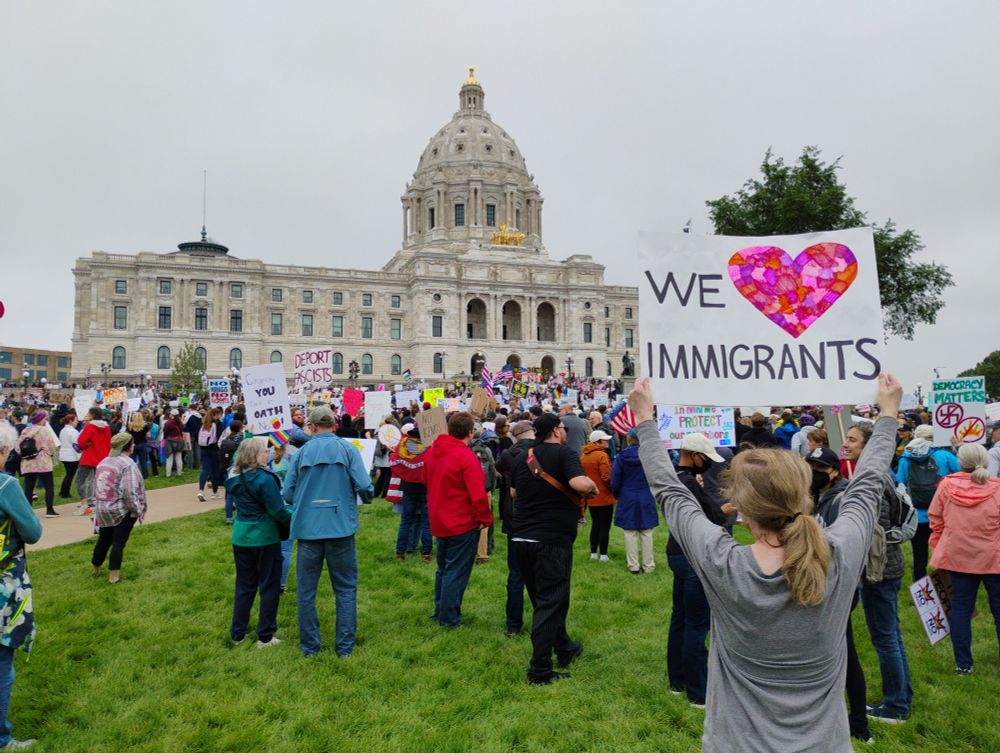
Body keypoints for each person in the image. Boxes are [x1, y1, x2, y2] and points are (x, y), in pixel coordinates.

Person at [630, 374, 902, 752]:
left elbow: (670, 491)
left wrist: (645, 420)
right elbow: (869, 482)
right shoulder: (840, 552)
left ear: (741, 508)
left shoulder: (722, 561)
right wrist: (888, 415)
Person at [509, 413, 596, 684]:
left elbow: (512, 492)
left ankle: (564, 647)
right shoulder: (564, 453)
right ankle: (540, 670)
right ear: (556, 431)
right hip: (551, 539)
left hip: (520, 537)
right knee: (551, 601)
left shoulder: (523, 456)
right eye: (563, 427)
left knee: (543, 600)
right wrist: (592, 488)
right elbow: (578, 484)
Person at [282, 406, 373, 657]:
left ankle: (310, 648)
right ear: (333, 424)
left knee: (306, 592)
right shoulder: (347, 449)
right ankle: (344, 648)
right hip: (340, 527)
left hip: (309, 529)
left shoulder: (302, 453)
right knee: (345, 589)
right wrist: (364, 496)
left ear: (311, 427)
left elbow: (288, 493)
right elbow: (365, 486)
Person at [843, 421, 913, 723]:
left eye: (852, 440)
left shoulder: (872, 478)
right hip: (884, 568)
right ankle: (901, 696)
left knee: (885, 638)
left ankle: (896, 706)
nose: (845, 443)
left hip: (878, 570)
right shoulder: (873, 474)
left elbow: (875, 532)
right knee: (891, 636)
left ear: (868, 446)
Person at [806, 446, 872, 743]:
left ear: (834, 471)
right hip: (821, 582)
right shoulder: (819, 496)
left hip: (838, 586)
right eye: (811, 466)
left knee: (844, 653)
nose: (814, 473)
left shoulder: (840, 499)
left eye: (820, 468)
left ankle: (858, 725)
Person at [664, 432, 729, 708]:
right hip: (692, 555)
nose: (708, 464)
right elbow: (711, 517)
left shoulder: (676, 478)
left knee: (680, 618)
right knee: (697, 623)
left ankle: (677, 681)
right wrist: (728, 508)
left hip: (676, 552)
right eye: (706, 459)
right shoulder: (688, 482)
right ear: (694, 455)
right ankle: (698, 692)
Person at [928, 443, 1000, 674]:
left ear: (961, 462)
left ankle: (963, 665)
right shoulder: (997, 488)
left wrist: (940, 543)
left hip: (958, 557)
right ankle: (963, 664)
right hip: (993, 557)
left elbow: (935, 519)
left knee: (960, 608)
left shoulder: (946, 486)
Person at [423, 412, 493, 628]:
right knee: (456, 571)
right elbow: (477, 494)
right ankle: (449, 618)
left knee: (443, 569)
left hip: (439, 517)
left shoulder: (431, 452)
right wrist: (485, 518)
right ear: (470, 433)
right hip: (461, 521)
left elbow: (426, 481)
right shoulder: (465, 457)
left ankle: (440, 611)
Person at [224, 438, 292, 647]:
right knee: (269, 586)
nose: (268, 454)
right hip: (264, 536)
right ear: (255, 455)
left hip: (241, 535)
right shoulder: (264, 479)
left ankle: (238, 633)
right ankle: (266, 635)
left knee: (244, 585)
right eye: (264, 451)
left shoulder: (233, 476)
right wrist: (295, 520)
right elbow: (277, 510)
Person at [0, 422, 43, 751]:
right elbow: (32, 531)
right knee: (2, 662)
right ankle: (1, 737)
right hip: (4, 581)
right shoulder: (5, 486)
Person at [895, 424, 959, 581]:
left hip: (918, 516)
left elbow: (900, 485)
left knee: (919, 556)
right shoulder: (945, 456)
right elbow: (961, 476)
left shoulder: (905, 459)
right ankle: (950, 589)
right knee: (946, 553)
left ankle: (921, 593)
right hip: (943, 514)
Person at [90, 433, 147, 584]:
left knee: (104, 539)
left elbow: (95, 485)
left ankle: (95, 567)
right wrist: (137, 509)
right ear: (127, 446)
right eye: (132, 443)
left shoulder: (103, 462)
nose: (134, 445)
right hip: (121, 510)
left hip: (103, 507)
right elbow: (130, 491)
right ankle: (114, 576)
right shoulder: (128, 465)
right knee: (118, 542)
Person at [495, 420, 534, 637]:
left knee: (516, 573)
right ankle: (545, 621)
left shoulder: (510, 453)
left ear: (516, 435)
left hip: (515, 517)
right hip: (537, 518)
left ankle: (513, 625)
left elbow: (499, 468)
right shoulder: (542, 451)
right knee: (541, 573)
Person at [611, 432, 659, 574]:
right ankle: (649, 565)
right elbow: (655, 476)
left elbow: (615, 478)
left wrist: (617, 494)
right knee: (646, 531)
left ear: (629, 439)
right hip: (645, 494)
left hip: (627, 494)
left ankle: (633, 566)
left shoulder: (621, 457)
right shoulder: (649, 456)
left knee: (629, 531)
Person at [390, 423, 431, 561]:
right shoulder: (428, 447)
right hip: (425, 488)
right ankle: (426, 554)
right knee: (426, 522)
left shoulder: (403, 445)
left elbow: (394, 461)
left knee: (406, 521)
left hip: (408, 487)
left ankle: (400, 553)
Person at [581, 429, 616, 561]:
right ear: (598, 442)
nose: (607, 442)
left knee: (595, 524)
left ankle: (593, 553)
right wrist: (613, 490)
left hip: (591, 496)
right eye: (605, 440)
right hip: (604, 496)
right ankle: (604, 555)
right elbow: (606, 477)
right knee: (604, 526)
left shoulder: (583, 455)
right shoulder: (601, 455)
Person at [18, 412, 58, 519]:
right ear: (42, 420)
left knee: (29, 488)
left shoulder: (25, 430)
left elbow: (18, 447)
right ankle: (49, 510)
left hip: (28, 462)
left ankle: (28, 512)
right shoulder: (45, 430)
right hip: (43, 461)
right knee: (48, 486)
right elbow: (52, 446)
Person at [75, 407, 111, 516]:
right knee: (96, 480)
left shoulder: (90, 426)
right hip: (102, 457)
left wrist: (86, 444)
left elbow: (81, 442)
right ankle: (95, 502)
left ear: (91, 415)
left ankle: (84, 504)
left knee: (80, 480)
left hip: (89, 456)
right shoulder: (107, 427)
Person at [197, 408, 223, 502]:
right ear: (217, 415)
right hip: (214, 449)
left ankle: (200, 490)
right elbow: (220, 437)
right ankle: (214, 492)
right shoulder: (218, 424)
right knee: (215, 471)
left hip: (203, 449)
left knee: (205, 470)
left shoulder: (204, 424)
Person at [57, 413, 81, 499]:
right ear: (71, 421)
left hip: (64, 454)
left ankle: (63, 491)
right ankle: (65, 493)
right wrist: (79, 456)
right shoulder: (73, 431)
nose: (77, 422)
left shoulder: (63, 430)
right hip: (71, 456)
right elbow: (76, 445)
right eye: (76, 420)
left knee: (68, 474)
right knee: (70, 475)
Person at [162, 409, 185, 477]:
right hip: (179, 441)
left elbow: (165, 432)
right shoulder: (180, 422)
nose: (169, 415)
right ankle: (179, 473)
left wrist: (165, 438)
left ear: (172, 415)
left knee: (169, 458)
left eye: (170, 414)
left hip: (170, 441)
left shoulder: (168, 423)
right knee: (179, 457)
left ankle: (168, 474)